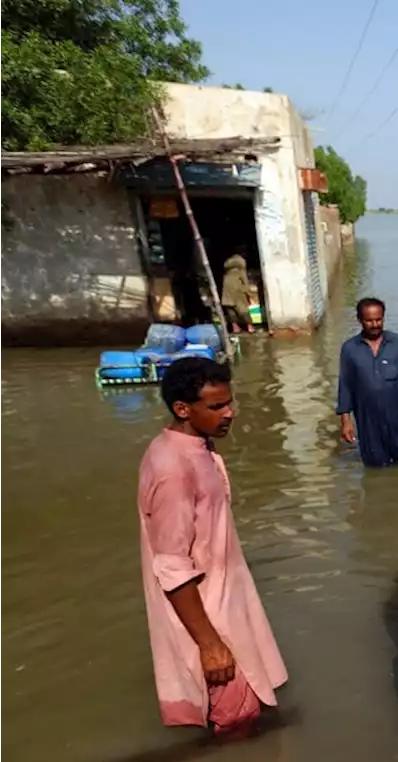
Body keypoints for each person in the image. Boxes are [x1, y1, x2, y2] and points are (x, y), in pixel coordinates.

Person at [137, 357, 288, 733]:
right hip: (210, 621)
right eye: (217, 406)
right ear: (183, 409)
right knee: (235, 726)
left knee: (247, 719)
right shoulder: (172, 469)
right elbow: (170, 565)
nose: (230, 413)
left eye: (229, 403)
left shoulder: (197, 447)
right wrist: (210, 644)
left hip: (227, 606)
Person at [336, 297, 398, 467]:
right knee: (375, 467)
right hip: (368, 420)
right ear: (360, 320)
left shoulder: (397, 343)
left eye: (379, 319)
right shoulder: (350, 349)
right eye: (369, 320)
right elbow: (345, 386)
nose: (375, 324)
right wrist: (346, 422)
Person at [220, 247, 256, 334]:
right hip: (237, 286)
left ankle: (235, 327)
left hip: (226, 286)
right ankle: (250, 327)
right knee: (242, 308)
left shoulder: (227, 263)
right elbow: (244, 278)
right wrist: (249, 292)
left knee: (230, 308)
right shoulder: (241, 262)